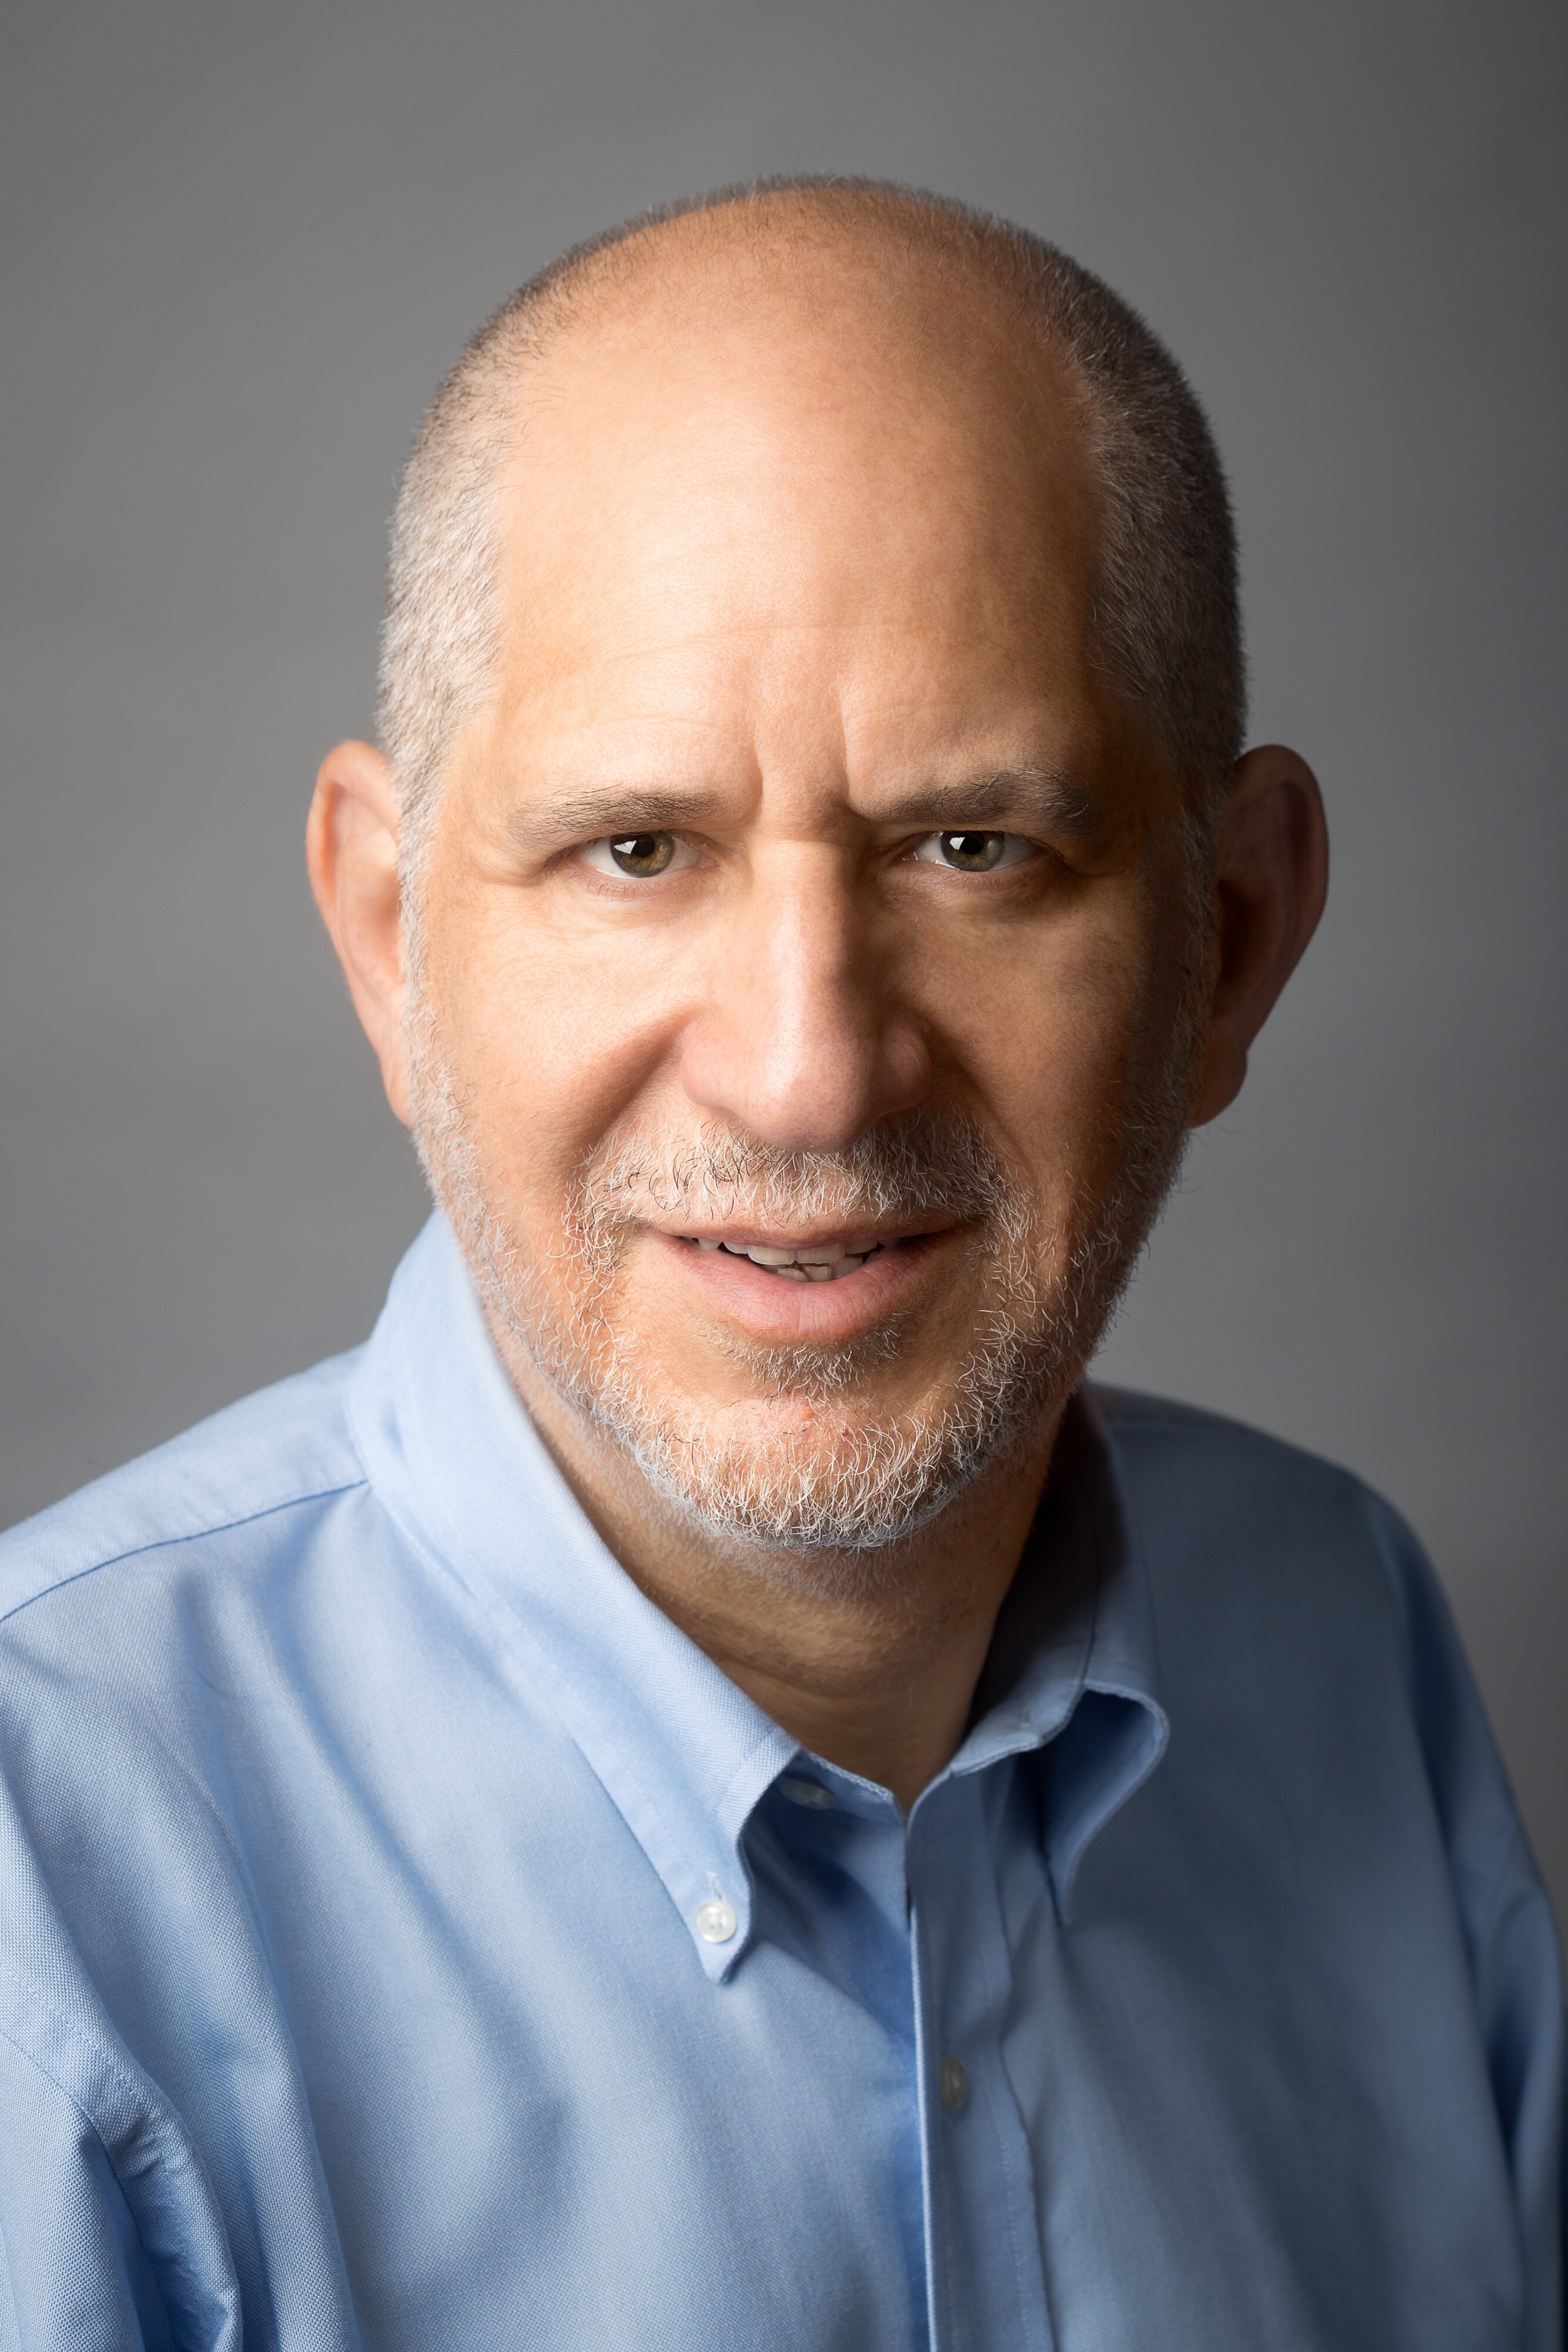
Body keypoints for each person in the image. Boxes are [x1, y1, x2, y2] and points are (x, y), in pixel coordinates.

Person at [0, 178, 1559, 2351]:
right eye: (636, 851)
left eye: (972, 847)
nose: (810, 1075)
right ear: (388, 941)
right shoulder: (40, 1881)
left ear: (1231, 942)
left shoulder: (1333, 1635)